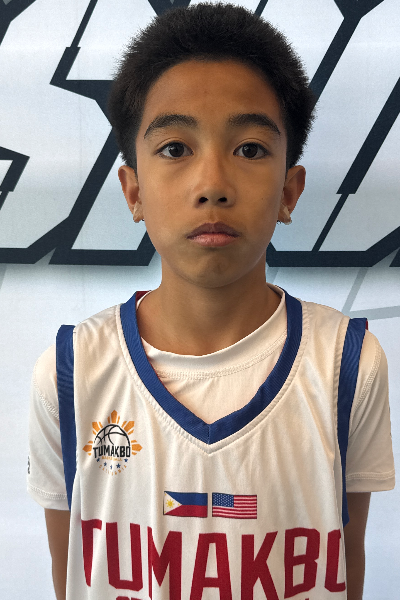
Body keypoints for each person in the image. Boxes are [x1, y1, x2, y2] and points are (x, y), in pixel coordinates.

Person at [27, 3, 395, 599]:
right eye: (176, 149)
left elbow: (344, 567)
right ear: (133, 190)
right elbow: (70, 575)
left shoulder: (346, 364)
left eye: (249, 149)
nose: (213, 185)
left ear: (289, 190)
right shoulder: (71, 372)